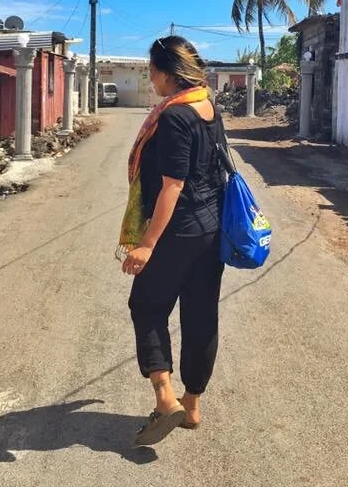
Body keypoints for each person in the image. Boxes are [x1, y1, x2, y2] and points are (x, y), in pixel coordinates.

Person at [118, 36, 226, 447]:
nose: (150, 80)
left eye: (151, 72)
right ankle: (192, 405)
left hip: (178, 231)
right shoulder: (208, 107)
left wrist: (146, 244)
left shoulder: (175, 117)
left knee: (145, 305)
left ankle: (166, 400)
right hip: (211, 230)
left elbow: (173, 185)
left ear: (165, 73)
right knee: (200, 316)